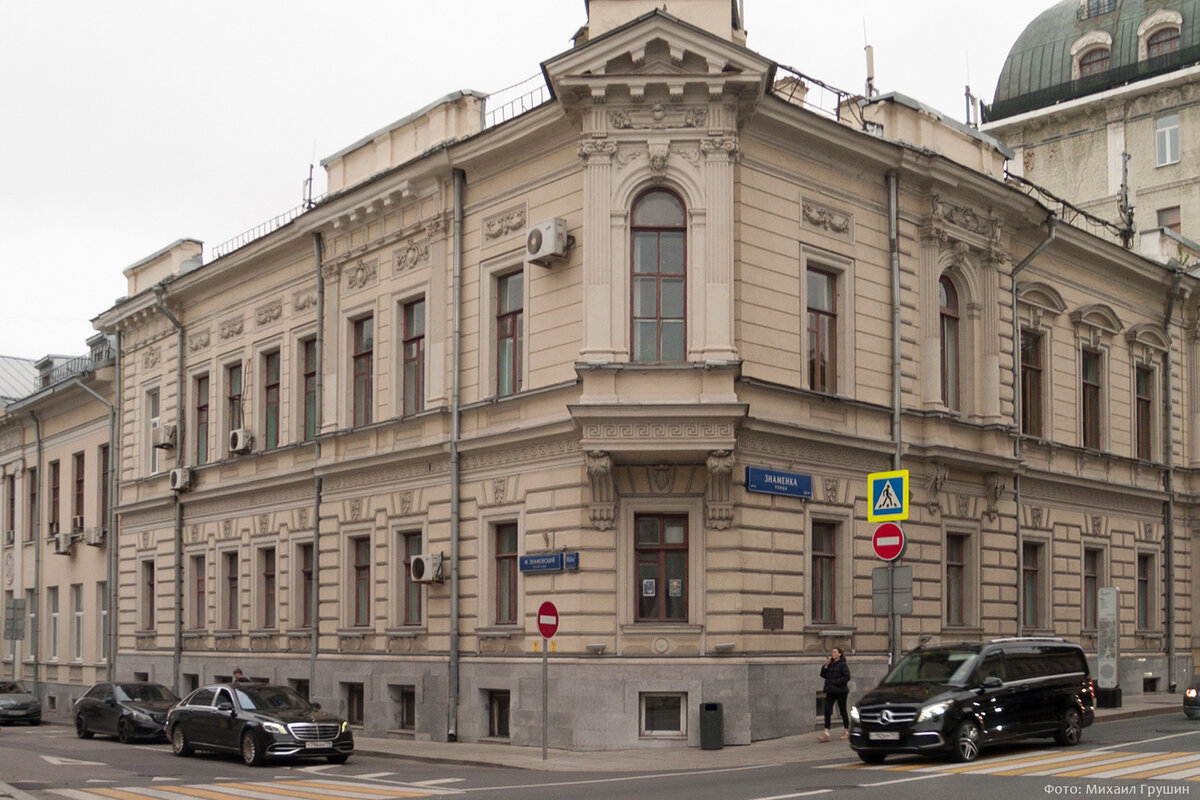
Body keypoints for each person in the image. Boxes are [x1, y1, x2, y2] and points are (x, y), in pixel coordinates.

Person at [818, 646, 850, 741]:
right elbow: (823, 675)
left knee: (842, 710)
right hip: (831, 690)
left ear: (839, 654)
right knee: (827, 710)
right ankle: (826, 733)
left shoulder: (843, 664)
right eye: (832, 652)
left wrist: (836, 682)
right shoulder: (830, 663)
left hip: (841, 691)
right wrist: (826, 666)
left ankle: (846, 731)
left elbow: (847, 677)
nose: (833, 654)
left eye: (835, 652)